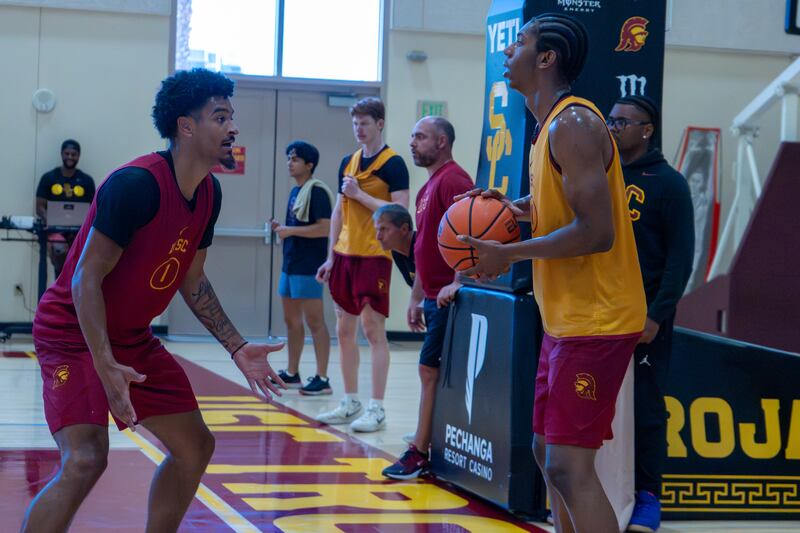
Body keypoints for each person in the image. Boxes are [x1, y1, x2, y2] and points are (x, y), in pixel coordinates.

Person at [22, 68, 286, 533]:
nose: (233, 127)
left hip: (131, 336)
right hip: (73, 332)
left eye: (232, 116)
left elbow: (193, 279)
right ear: (186, 127)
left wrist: (237, 346)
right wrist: (104, 365)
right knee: (86, 459)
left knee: (196, 447)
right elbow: (86, 280)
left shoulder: (209, 193)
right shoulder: (135, 185)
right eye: (220, 117)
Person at [457, 13, 647, 533]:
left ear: (546, 58)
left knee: (568, 464)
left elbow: (597, 231)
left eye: (518, 43)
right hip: (567, 319)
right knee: (546, 452)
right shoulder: (548, 128)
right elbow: (558, 207)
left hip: (598, 319)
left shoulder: (575, 124)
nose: (507, 51)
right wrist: (507, 208)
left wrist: (510, 255)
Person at [608, 95, 694, 533]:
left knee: (645, 408)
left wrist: (657, 316)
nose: (613, 126)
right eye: (611, 119)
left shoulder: (670, 183)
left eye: (623, 121)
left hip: (645, 319)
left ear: (647, 129)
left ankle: (647, 497)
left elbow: (681, 260)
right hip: (597, 313)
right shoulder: (599, 176)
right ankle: (599, 490)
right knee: (593, 404)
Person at [380, 117, 472, 479]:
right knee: (430, 371)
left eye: (420, 136)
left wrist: (458, 280)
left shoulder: (454, 180)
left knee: (428, 370)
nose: (413, 142)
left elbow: (470, 231)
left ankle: (419, 452)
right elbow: (422, 248)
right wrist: (416, 297)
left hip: (449, 298)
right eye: (412, 135)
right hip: (431, 297)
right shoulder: (427, 187)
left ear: (442, 141)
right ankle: (427, 440)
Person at [315, 97, 410, 433]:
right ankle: (350, 401)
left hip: (375, 255)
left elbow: (400, 213)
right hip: (344, 254)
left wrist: (361, 196)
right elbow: (339, 211)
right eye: (355, 122)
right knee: (344, 330)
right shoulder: (348, 161)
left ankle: (377, 407)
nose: (359, 128)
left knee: (372, 330)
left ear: (379, 124)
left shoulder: (393, 163)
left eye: (365, 122)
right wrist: (329, 256)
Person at [270, 140, 334, 396]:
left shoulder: (316, 192)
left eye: (295, 159)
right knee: (291, 321)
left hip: (308, 266)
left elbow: (325, 227)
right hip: (291, 263)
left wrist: (290, 230)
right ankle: (292, 372)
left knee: (315, 322)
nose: (290, 163)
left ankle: (322, 377)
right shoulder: (297, 191)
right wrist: (282, 230)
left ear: (309, 165)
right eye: (288, 158)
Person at [35, 139, 96, 278]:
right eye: (67, 153)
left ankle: (73, 290)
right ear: (61, 154)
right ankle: (61, 283)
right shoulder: (49, 178)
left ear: (78, 156)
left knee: (83, 258)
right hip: (55, 230)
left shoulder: (86, 180)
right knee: (59, 249)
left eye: (73, 154)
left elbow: (93, 208)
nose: (70, 157)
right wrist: (51, 221)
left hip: (79, 230)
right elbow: (39, 207)